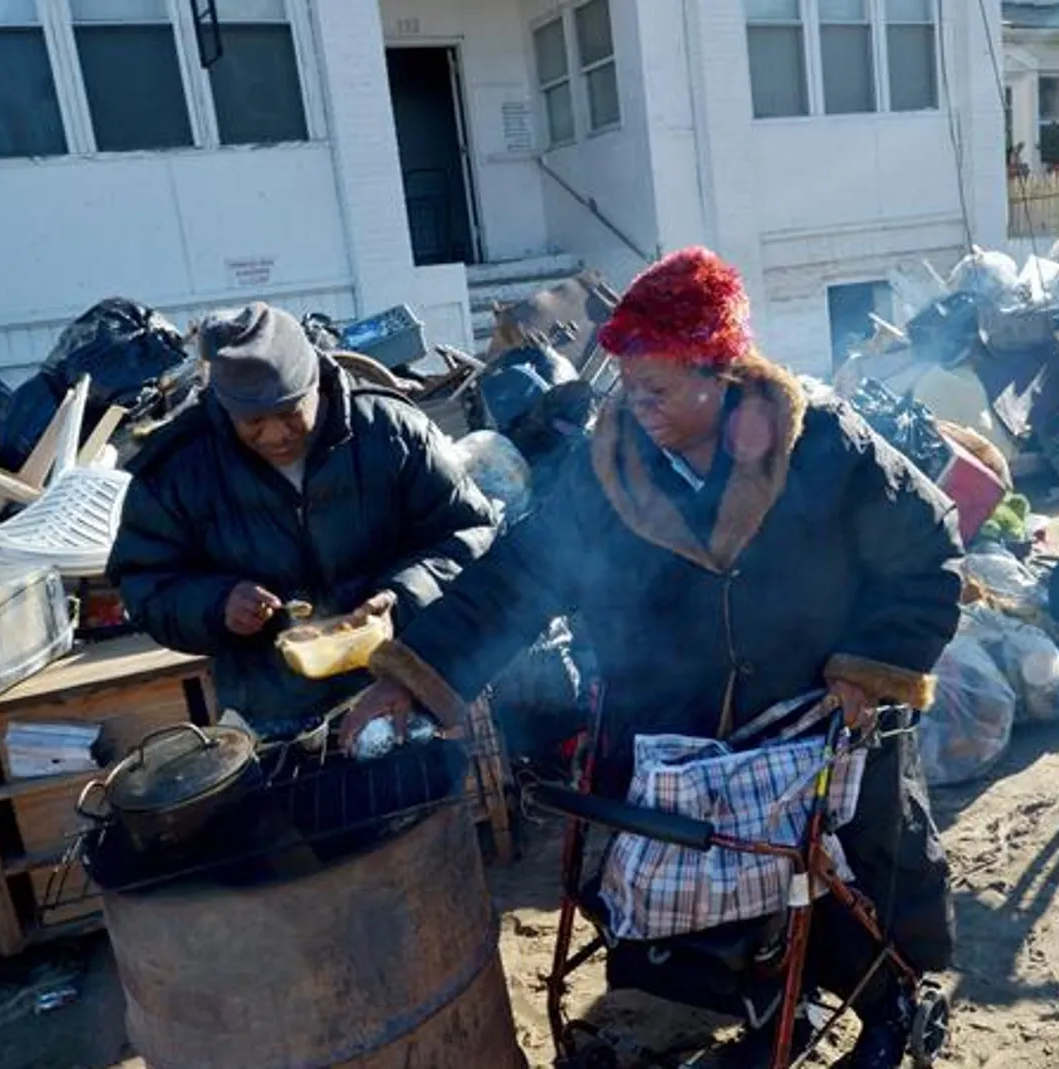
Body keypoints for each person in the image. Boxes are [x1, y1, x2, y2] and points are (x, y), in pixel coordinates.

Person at [345, 247, 964, 1068]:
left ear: (722, 371)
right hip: (677, 729)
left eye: (660, 389)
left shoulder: (821, 445)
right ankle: (773, 993)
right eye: (628, 386)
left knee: (852, 876)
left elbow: (928, 550)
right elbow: (517, 579)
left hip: (817, 717)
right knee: (703, 889)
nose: (638, 406)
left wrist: (871, 664)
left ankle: (889, 1003)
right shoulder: (608, 474)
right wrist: (412, 679)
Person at [107, 301, 497, 739]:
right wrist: (216, 604)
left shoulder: (393, 432)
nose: (274, 435)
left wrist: (403, 596)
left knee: (431, 800)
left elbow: (471, 533)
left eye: (291, 413)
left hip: (399, 685)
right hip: (272, 712)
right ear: (224, 404)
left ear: (317, 383)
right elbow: (144, 584)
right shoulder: (178, 470)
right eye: (252, 421)